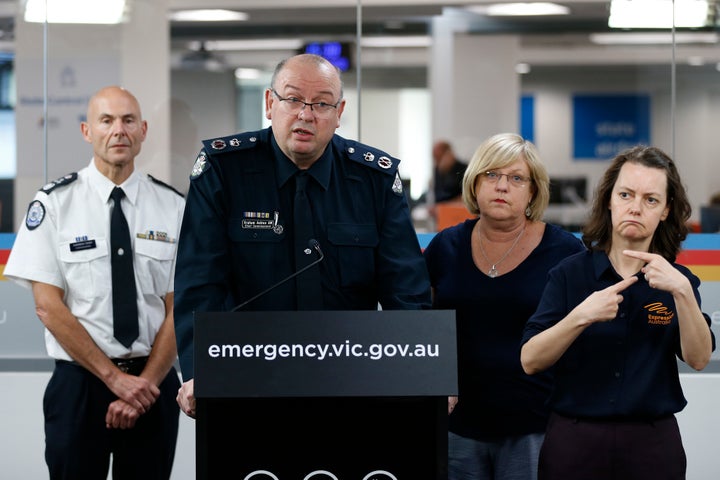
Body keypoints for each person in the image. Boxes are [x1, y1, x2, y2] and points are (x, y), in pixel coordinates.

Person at [173, 53, 431, 418]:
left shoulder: (373, 178)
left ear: (339, 113)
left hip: (351, 378)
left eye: (322, 104)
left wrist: (420, 375)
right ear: (269, 103)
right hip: (247, 376)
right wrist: (201, 372)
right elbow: (200, 284)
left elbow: (405, 289)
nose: (306, 114)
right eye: (293, 99)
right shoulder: (223, 171)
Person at [3, 86, 185, 479]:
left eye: (128, 120)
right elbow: (47, 306)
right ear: (88, 131)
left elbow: (179, 305)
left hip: (151, 384)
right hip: (81, 387)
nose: (118, 130)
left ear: (143, 131)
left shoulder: (173, 207)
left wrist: (144, 385)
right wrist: (114, 379)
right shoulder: (54, 204)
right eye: (106, 121)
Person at [520, 145, 715, 480]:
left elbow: (698, 358)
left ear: (666, 210)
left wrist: (682, 292)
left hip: (652, 444)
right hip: (575, 440)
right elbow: (530, 359)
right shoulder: (569, 274)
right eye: (626, 194)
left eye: (650, 200)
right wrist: (581, 316)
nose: (635, 208)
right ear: (610, 199)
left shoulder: (678, 281)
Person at [423, 132, 585, 480]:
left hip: (535, 426)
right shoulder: (445, 247)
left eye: (516, 178)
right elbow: (422, 325)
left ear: (533, 191)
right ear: (475, 183)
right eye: (491, 175)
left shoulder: (566, 252)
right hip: (459, 424)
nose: (501, 186)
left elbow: (584, 335)